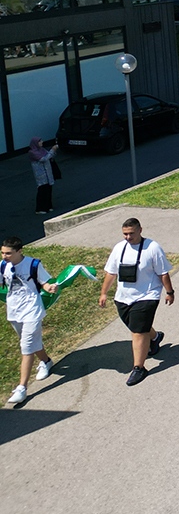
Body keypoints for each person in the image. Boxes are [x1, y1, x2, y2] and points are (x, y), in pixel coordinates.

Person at [99, 218, 174, 386]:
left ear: (140, 230)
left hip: (147, 295)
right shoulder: (119, 248)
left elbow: (163, 273)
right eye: (125, 234)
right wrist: (104, 293)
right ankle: (154, 338)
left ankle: (139, 368)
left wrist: (169, 292)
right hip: (123, 297)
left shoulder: (152, 248)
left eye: (131, 233)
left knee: (138, 332)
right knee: (136, 326)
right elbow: (111, 272)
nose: (128, 237)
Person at [2, 237, 58, 404]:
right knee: (30, 342)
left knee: (26, 347)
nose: (5, 256)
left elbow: (45, 283)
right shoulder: (3, 265)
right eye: (3, 253)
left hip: (32, 309)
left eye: (8, 253)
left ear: (20, 251)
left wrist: (50, 287)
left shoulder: (33, 264)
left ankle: (22, 388)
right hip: (14, 311)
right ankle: (46, 361)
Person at [29, 137, 56, 214]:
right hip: (41, 175)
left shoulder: (42, 150)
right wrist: (52, 150)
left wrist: (53, 152)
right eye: (39, 141)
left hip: (48, 173)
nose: (42, 142)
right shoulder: (32, 152)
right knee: (42, 191)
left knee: (48, 190)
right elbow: (43, 159)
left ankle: (48, 206)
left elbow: (49, 156)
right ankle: (40, 208)